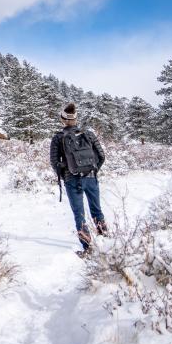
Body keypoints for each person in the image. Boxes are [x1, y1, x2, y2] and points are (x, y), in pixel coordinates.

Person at [49, 103, 107, 255]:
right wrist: (93, 171)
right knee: (97, 210)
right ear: (76, 118)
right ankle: (106, 240)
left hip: (72, 180)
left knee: (79, 215)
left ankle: (88, 249)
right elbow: (101, 156)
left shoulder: (58, 138)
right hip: (91, 177)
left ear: (63, 120)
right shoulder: (89, 134)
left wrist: (66, 176)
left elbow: (54, 162)